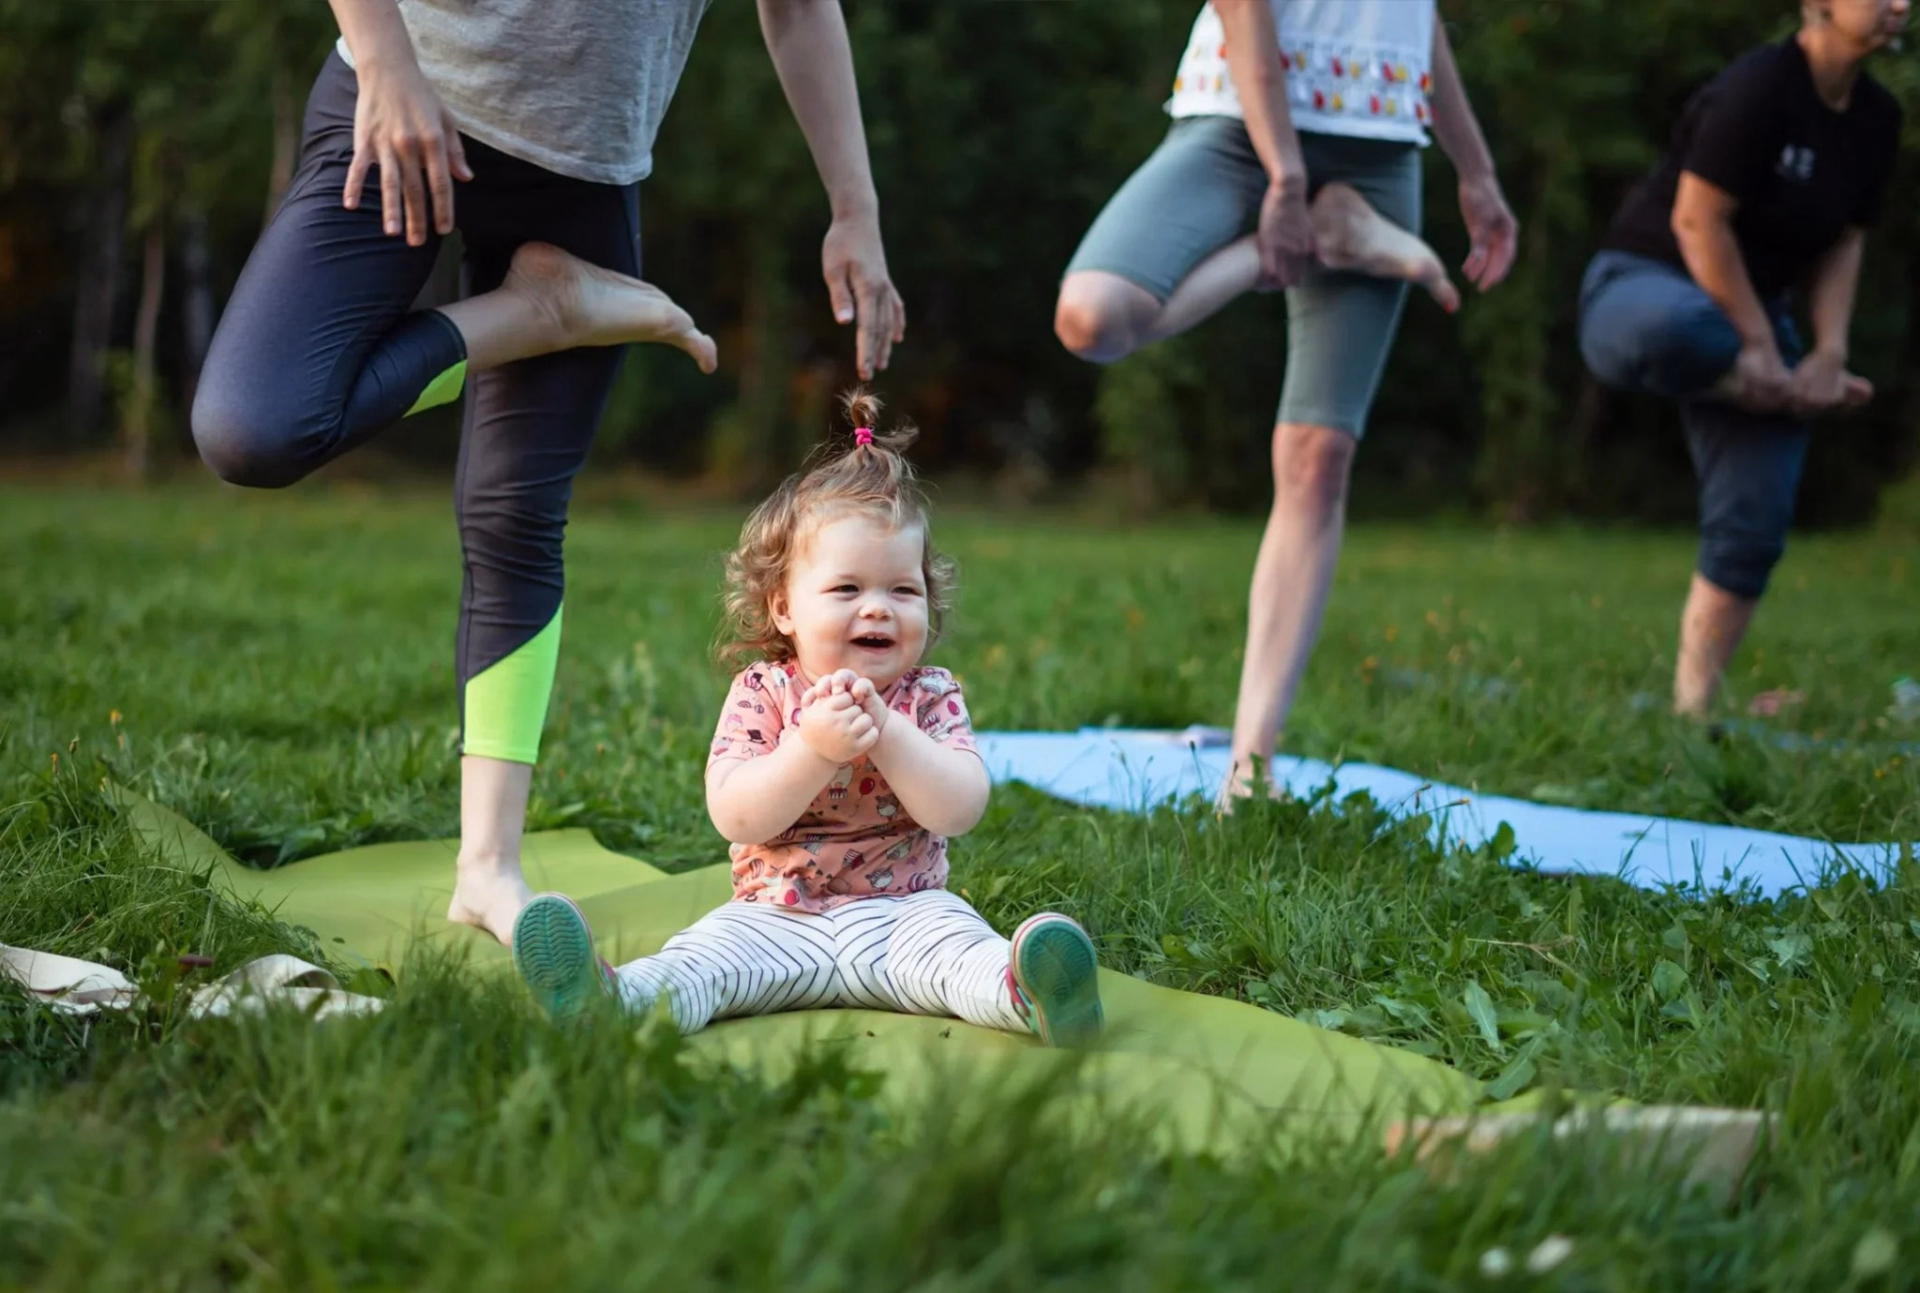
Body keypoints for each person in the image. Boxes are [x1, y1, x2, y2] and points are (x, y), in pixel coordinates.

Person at [189, 0, 906, 944]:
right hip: (403, 105)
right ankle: (542, 312)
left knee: (514, 517)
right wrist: (384, 59)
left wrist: (854, 208)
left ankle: (488, 866)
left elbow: (799, 8)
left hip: (584, 179)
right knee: (256, 426)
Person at [510, 391, 1106, 1048]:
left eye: (903, 590)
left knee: (962, 956)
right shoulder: (763, 691)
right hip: (773, 917)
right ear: (785, 607)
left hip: (905, 914)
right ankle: (613, 1002)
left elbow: (959, 808)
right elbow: (736, 815)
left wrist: (891, 734)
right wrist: (813, 750)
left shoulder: (929, 694)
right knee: (702, 963)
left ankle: (1033, 993)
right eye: (847, 589)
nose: (878, 609)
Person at [1051, 0, 1519, 803]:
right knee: (1093, 316)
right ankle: (1329, 240)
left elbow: (1420, 20)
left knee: (1318, 458)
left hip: (1378, 142)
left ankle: (1251, 767)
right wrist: (1289, 178)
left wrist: (1474, 168)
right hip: (1237, 121)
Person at [1578, 0, 1906, 718]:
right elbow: (1696, 219)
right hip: (1644, 289)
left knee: (1756, 518)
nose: (1899, 3)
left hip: (1758, 317)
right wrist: (1759, 352)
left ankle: (1692, 708)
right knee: (1690, 326)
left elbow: (1846, 242)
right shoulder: (1760, 86)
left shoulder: (1877, 121)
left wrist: (1827, 352)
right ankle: (1757, 381)